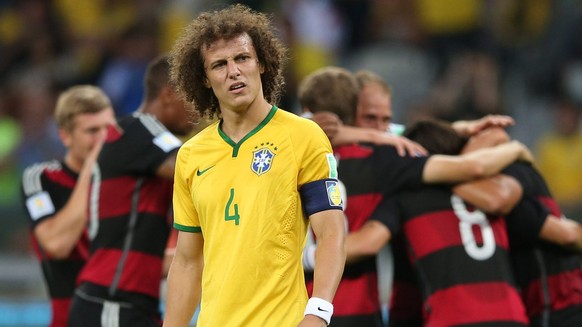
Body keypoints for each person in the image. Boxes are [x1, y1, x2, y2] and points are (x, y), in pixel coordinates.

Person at [297, 66, 533, 327]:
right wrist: (517, 148)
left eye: (386, 120)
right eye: (371, 118)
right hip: (353, 310)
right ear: (351, 114)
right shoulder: (387, 161)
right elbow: (471, 167)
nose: (381, 129)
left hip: (299, 308)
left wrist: (456, 129)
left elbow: (404, 135)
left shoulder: (291, 153)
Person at [164, 4, 346, 327]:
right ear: (204, 79)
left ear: (260, 63)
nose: (233, 71)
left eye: (242, 58)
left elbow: (331, 232)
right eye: (219, 65)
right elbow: (189, 261)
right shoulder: (191, 155)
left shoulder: (303, 136)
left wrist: (318, 312)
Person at [67, 55, 194, 327]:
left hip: (132, 304)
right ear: (169, 94)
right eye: (192, 98)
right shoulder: (137, 128)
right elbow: (192, 169)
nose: (197, 110)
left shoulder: (145, 150)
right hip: (111, 304)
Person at [21, 85, 115, 327]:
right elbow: (57, 244)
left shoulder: (127, 180)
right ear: (65, 136)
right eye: (92, 130)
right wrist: (92, 171)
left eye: (109, 128)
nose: (104, 139)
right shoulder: (41, 179)